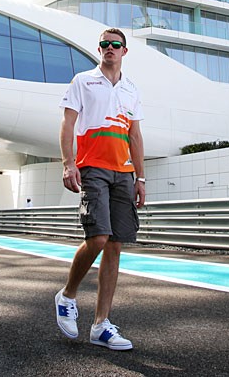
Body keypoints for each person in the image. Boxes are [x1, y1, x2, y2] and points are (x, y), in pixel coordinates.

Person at [55, 27, 146, 351]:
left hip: (124, 172)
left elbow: (134, 135)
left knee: (115, 245)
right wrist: (69, 163)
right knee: (98, 237)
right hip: (92, 167)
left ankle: (100, 325)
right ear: (100, 49)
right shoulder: (83, 81)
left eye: (115, 44)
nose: (110, 48)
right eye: (105, 44)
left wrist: (141, 177)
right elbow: (68, 123)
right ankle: (67, 295)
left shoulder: (132, 89)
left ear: (124, 51)